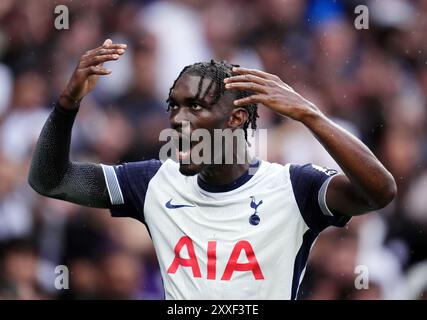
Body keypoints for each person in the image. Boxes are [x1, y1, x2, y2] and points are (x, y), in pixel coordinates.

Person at [28, 39, 397, 299]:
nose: (177, 119)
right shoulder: (154, 181)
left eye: (194, 107)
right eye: (173, 106)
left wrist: (310, 115)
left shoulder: (293, 188)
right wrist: (66, 104)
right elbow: (51, 180)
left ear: (236, 118)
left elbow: (380, 192)